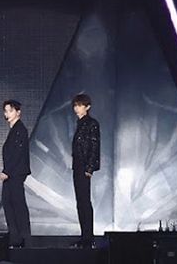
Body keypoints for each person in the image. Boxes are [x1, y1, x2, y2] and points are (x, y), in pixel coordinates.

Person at [0, 100, 31, 248]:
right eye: (6, 111)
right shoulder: (15, 130)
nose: (7, 114)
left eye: (10, 111)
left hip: (15, 173)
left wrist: (7, 171)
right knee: (9, 203)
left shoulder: (20, 130)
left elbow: (17, 154)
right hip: (13, 173)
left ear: (18, 112)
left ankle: (22, 238)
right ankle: (16, 238)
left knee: (17, 205)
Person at [70, 93, 100, 249]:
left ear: (87, 107)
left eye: (80, 105)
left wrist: (89, 168)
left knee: (84, 202)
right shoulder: (80, 124)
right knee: (80, 202)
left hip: (84, 168)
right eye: (75, 105)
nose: (76, 108)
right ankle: (84, 236)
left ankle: (88, 237)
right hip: (77, 166)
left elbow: (94, 147)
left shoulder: (91, 124)